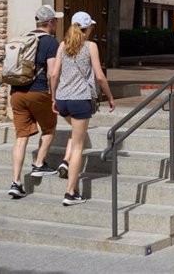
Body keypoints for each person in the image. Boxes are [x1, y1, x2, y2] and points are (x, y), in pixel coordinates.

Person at [51, 11, 115, 205]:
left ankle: (65, 161)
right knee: (79, 145)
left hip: (63, 99)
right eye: (92, 27)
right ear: (87, 28)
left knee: (76, 132)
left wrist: (53, 97)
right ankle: (71, 192)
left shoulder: (63, 45)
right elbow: (100, 76)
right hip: (80, 100)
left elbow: (54, 74)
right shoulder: (90, 46)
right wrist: (110, 97)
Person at [8, 4, 64, 198]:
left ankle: (16, 182)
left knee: (21, 138)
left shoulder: (23, 38)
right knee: (49, 128)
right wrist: (55, 96)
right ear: (49, 22)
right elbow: (52, 73)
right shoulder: (50, 42)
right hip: (38, 92)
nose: (57, 23)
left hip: (16, 93)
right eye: (55, 20)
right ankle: (39, 163)